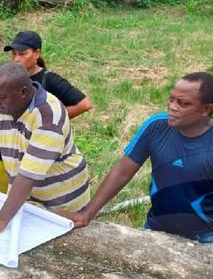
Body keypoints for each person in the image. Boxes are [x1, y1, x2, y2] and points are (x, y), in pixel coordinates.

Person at [61, 72, 213, 243]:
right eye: (171, 99)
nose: (172, 107)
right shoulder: (156, 126)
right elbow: (122, 172)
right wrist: (87, 213)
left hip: (206, 237)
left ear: (206, 109)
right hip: (156, 227)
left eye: (183, 103)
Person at [0, 62, 90, 239]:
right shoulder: (2, 107)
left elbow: (28, 175)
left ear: (23, 92)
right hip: (25, 196)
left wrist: (1, 220)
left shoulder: (48, 118)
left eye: (1, 97)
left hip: (61, 199)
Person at [0, 30, 92, 118]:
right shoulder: (7, 76)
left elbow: (84, 104)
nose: (16, 59)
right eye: (14, 54)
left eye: (22, 54)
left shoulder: (50, 80)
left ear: (37, 53)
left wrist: (51, 119)